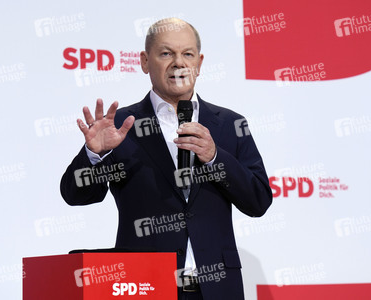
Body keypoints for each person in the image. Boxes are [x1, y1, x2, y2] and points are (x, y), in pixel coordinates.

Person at [61, 18, 272, 300]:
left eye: (187, 54)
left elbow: (258, 200)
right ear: (145, 62)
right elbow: (76, 195)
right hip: (143, 285)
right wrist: (95, 154)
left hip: (216, 288)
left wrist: (214, 158)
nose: (178, 63)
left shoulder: (230, 124)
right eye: (166, 53)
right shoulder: (120, 125)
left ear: (199, 62)